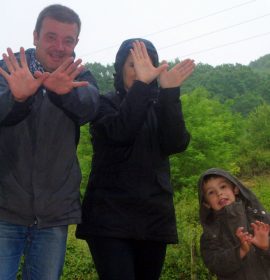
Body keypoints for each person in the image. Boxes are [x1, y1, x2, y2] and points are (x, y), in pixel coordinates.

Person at [76, 38, 195, 280]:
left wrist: (170, 93)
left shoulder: (159, 106)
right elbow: (121, 132)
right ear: (120, 69)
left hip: (153, 219)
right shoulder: (103, 103)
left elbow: (176, 143)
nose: (141, 70)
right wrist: (143, 84)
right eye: (133, 65)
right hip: (109, 220)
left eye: (147, 64)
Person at [0, 4, 99, 280]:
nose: (59, 46)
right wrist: (15, 98)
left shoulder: (80, 76)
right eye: (51, 37)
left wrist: (64, 94)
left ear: (76, 43)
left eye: (68, 40)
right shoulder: (8, 70)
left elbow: (91, 107)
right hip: (4, 209)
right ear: (35, 36)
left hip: (54, 213)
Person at [198, 168, 270, 280]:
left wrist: (266, 246)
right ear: (206, 203)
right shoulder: (210, 236)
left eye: (223, 186)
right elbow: (215, 265)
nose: (219, 193)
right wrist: (240, 251)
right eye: (211, 192)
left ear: (235, 189)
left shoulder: (259, 219)